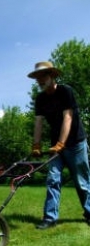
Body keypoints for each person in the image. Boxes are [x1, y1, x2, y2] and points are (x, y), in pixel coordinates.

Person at [28, 61, 90, 229]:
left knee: (82, 182)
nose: (40, 80)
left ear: (52, 76)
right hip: (55, 147)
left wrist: (62, 143)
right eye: (37, 78)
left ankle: (89, 213)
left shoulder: (65, 91)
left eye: (43, 76)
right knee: (52, 179)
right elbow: (38, 123)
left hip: (76, 144)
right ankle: (50, 218)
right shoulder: (40, 99)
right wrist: (36, 144)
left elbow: (68, 118)